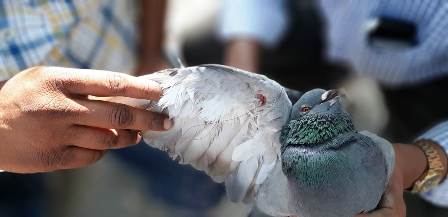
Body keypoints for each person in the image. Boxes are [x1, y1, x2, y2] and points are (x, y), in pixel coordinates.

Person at [218, 0, 448, 216]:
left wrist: (418, 162)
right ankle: (217, 173)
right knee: (207, 60)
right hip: (330, 24)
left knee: (404, 199)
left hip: (433, 77)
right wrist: (242, 72)